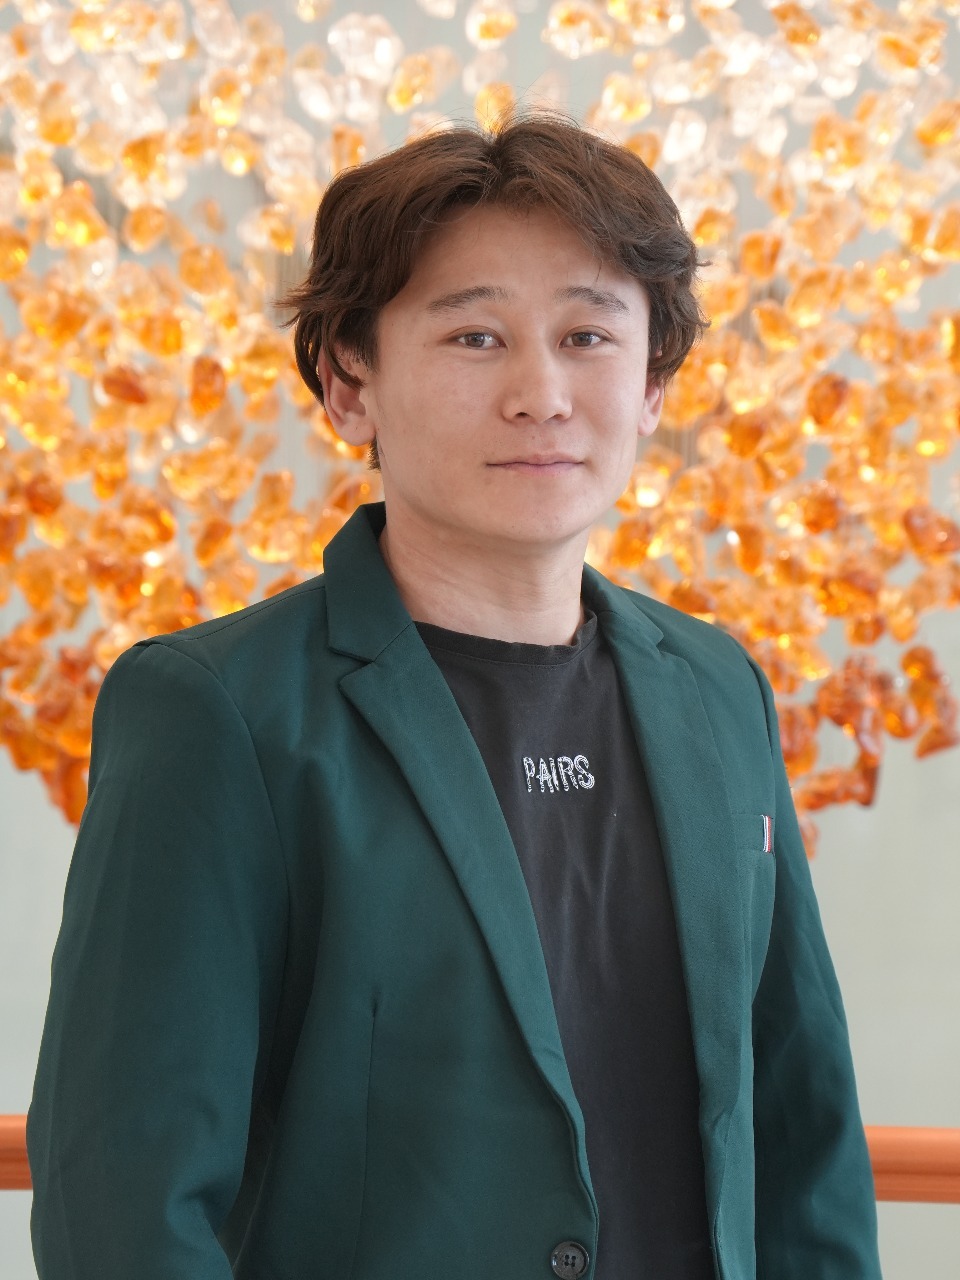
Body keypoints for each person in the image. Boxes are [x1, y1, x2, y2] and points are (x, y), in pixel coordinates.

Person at [28, 111, 882, 1280]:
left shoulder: (718, 686)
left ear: (653, 384)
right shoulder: (219, 712)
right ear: (349, 383)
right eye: (476, 336)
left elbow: (803, 1135)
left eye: (588, 334)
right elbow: (124, 1207)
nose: (542, 393)